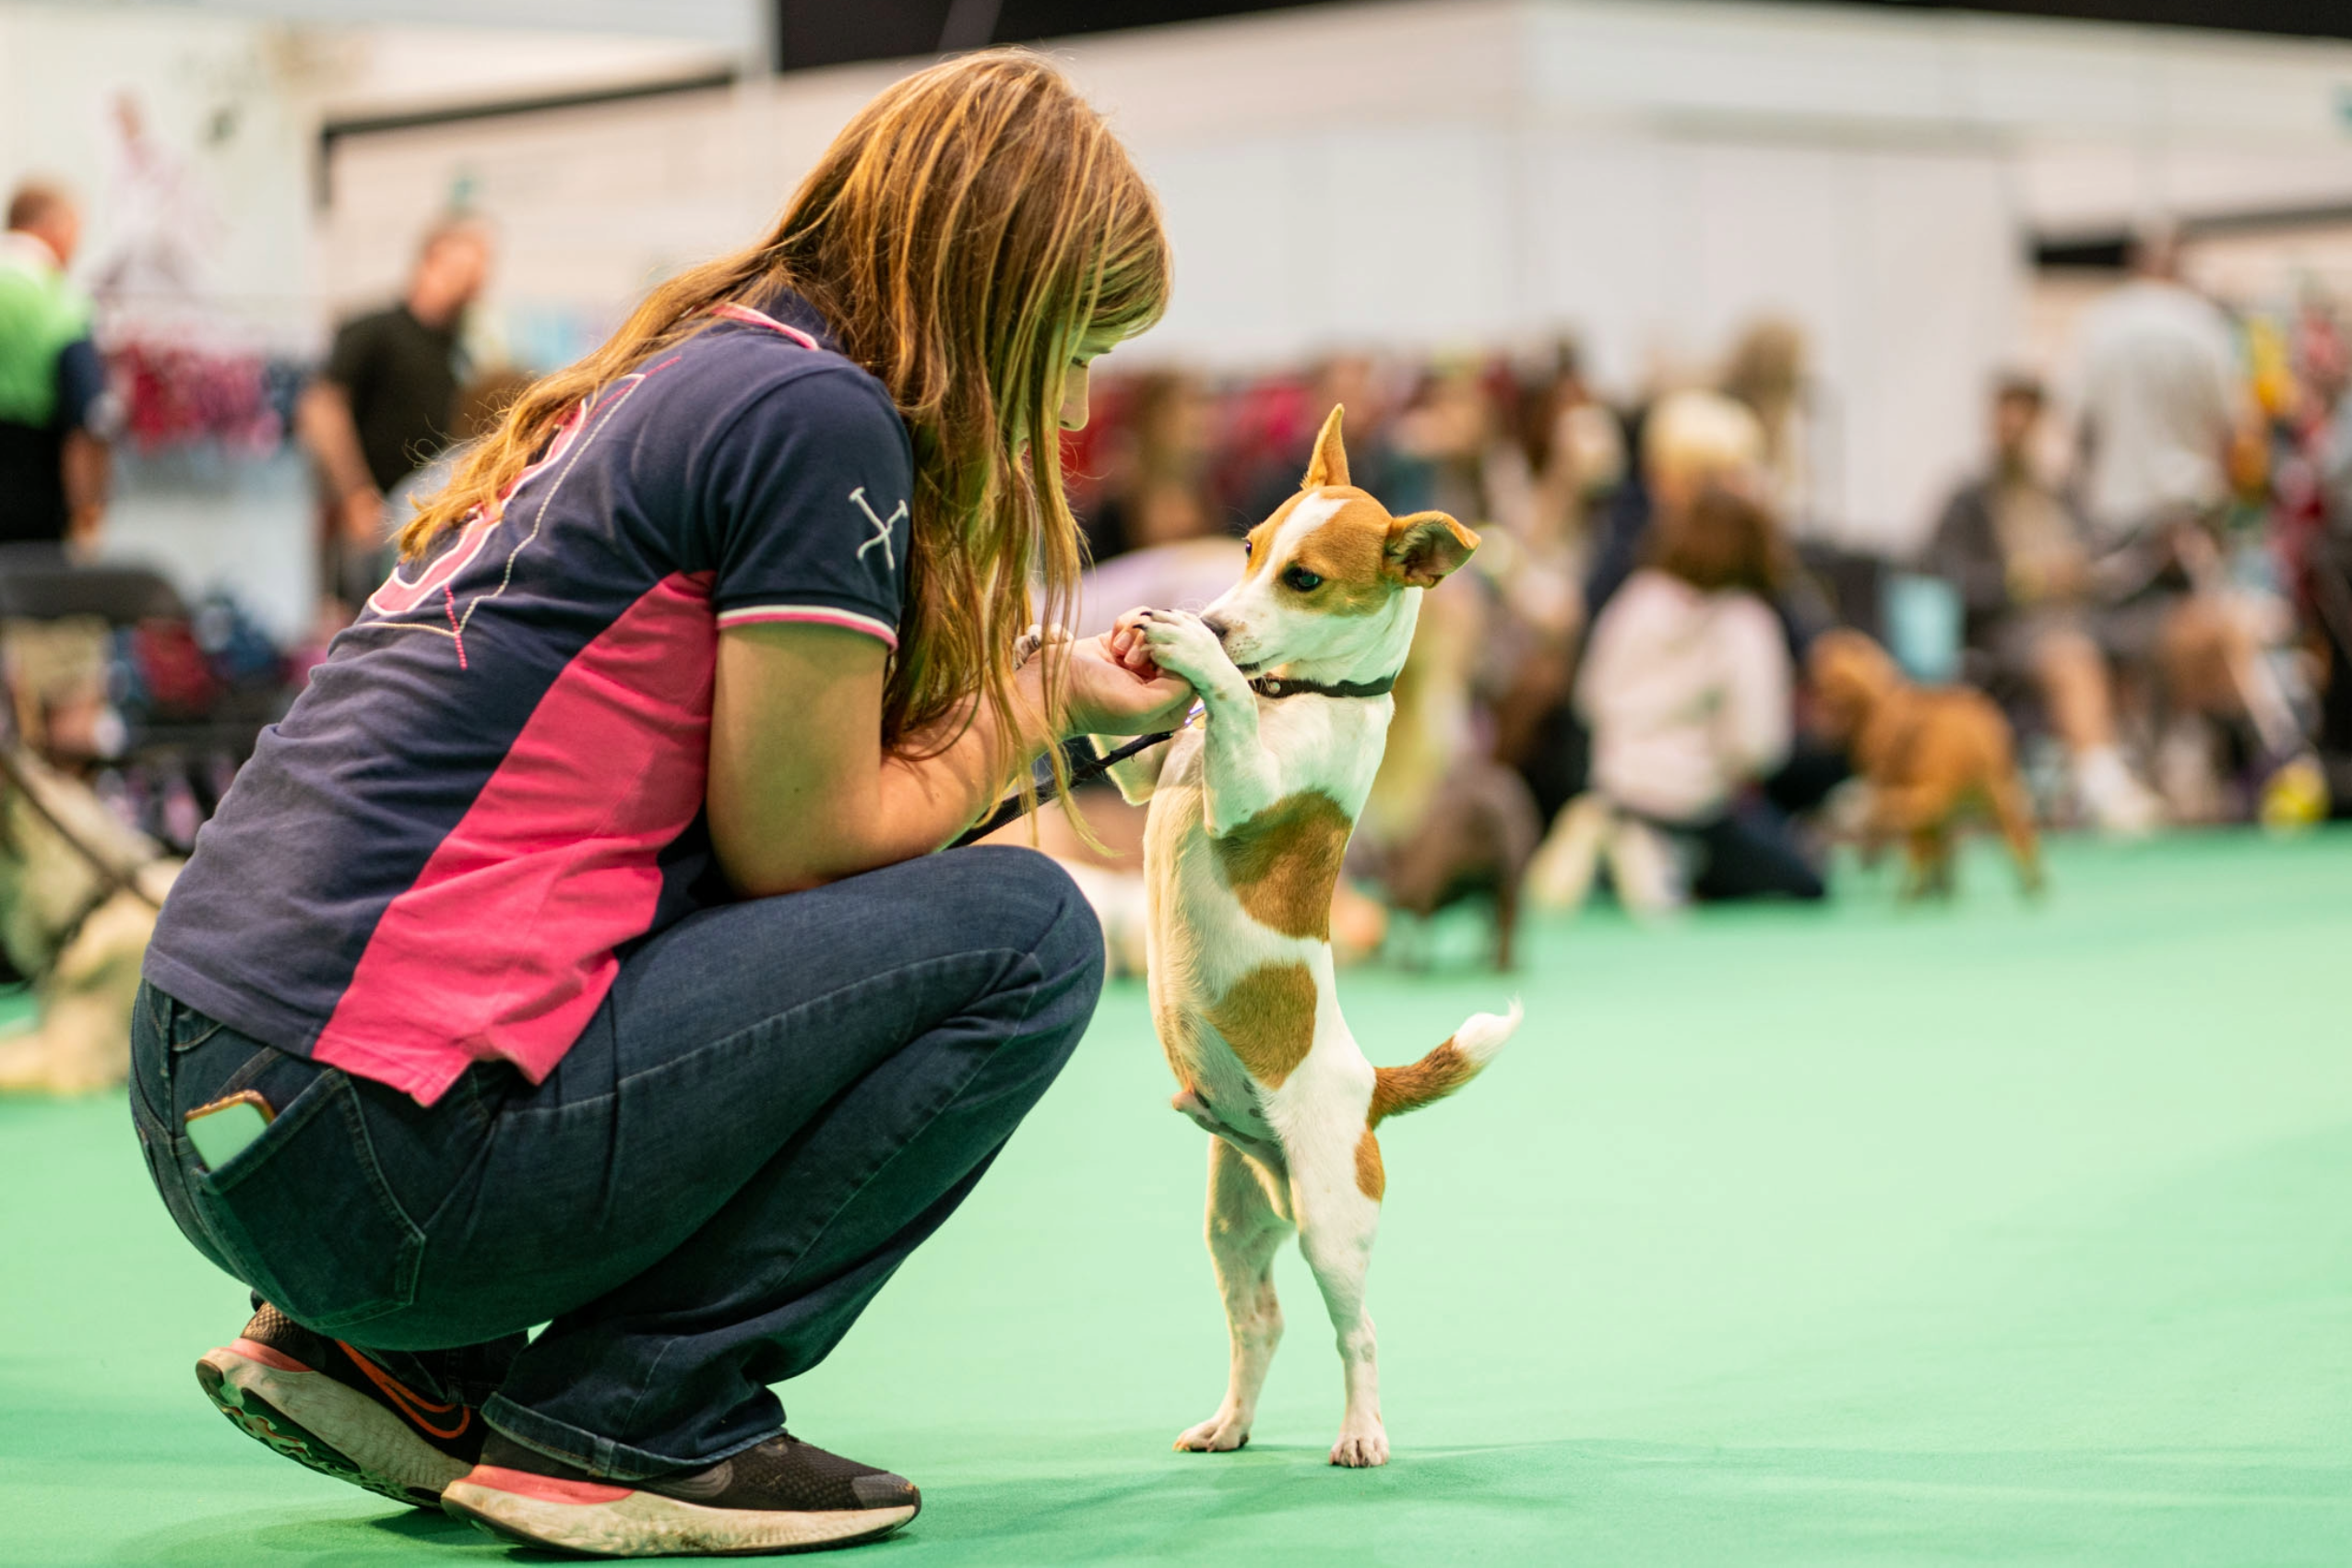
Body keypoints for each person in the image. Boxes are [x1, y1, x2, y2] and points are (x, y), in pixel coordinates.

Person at [130, 52, 1186, 1559]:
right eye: (1075, 347)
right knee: (1028, 934)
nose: (1075, 408)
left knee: (650, 886)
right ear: (996, 304)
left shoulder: (698, 362)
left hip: (209, 1100)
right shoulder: (824, 419)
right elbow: (800, 842)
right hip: (362, 1153)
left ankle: (389, 1354)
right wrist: (1037, 703)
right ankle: (638, 1416)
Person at [1927, 374, 2164, 832]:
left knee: (2169, 637)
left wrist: (2088, 574)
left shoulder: (2063, 495)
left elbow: (2104, 556)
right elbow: (1948, 577)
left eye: (2024, 418)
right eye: (2004, 417)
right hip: (2005, 637)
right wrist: (2028, 581)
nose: (2012, 428)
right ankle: (2102, 784)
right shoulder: (1967, 501)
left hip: (2086, 619)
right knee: (2070, 656)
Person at [1574, 481, 1823, 904]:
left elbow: (1588, 699)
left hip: (1616, 784)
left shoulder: (1637, 598)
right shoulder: (1748, 622)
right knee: (1807, 880)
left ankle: (1620, 846)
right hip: (1698, 805)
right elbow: (1758, 745)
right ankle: (1683, 865)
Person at [297, 218, 491, 609]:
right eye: (467, 270)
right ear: (431, 262)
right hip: (371, 524)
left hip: (421, 526)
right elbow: (320, 409)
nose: (477, 284)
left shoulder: (454, 348)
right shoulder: (375, 331)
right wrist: (354, 494)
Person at [0, 181, 110, 552]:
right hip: (27, 485)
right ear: (53, 227)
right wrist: (88, 513)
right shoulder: (58, 299)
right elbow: (88, 416)